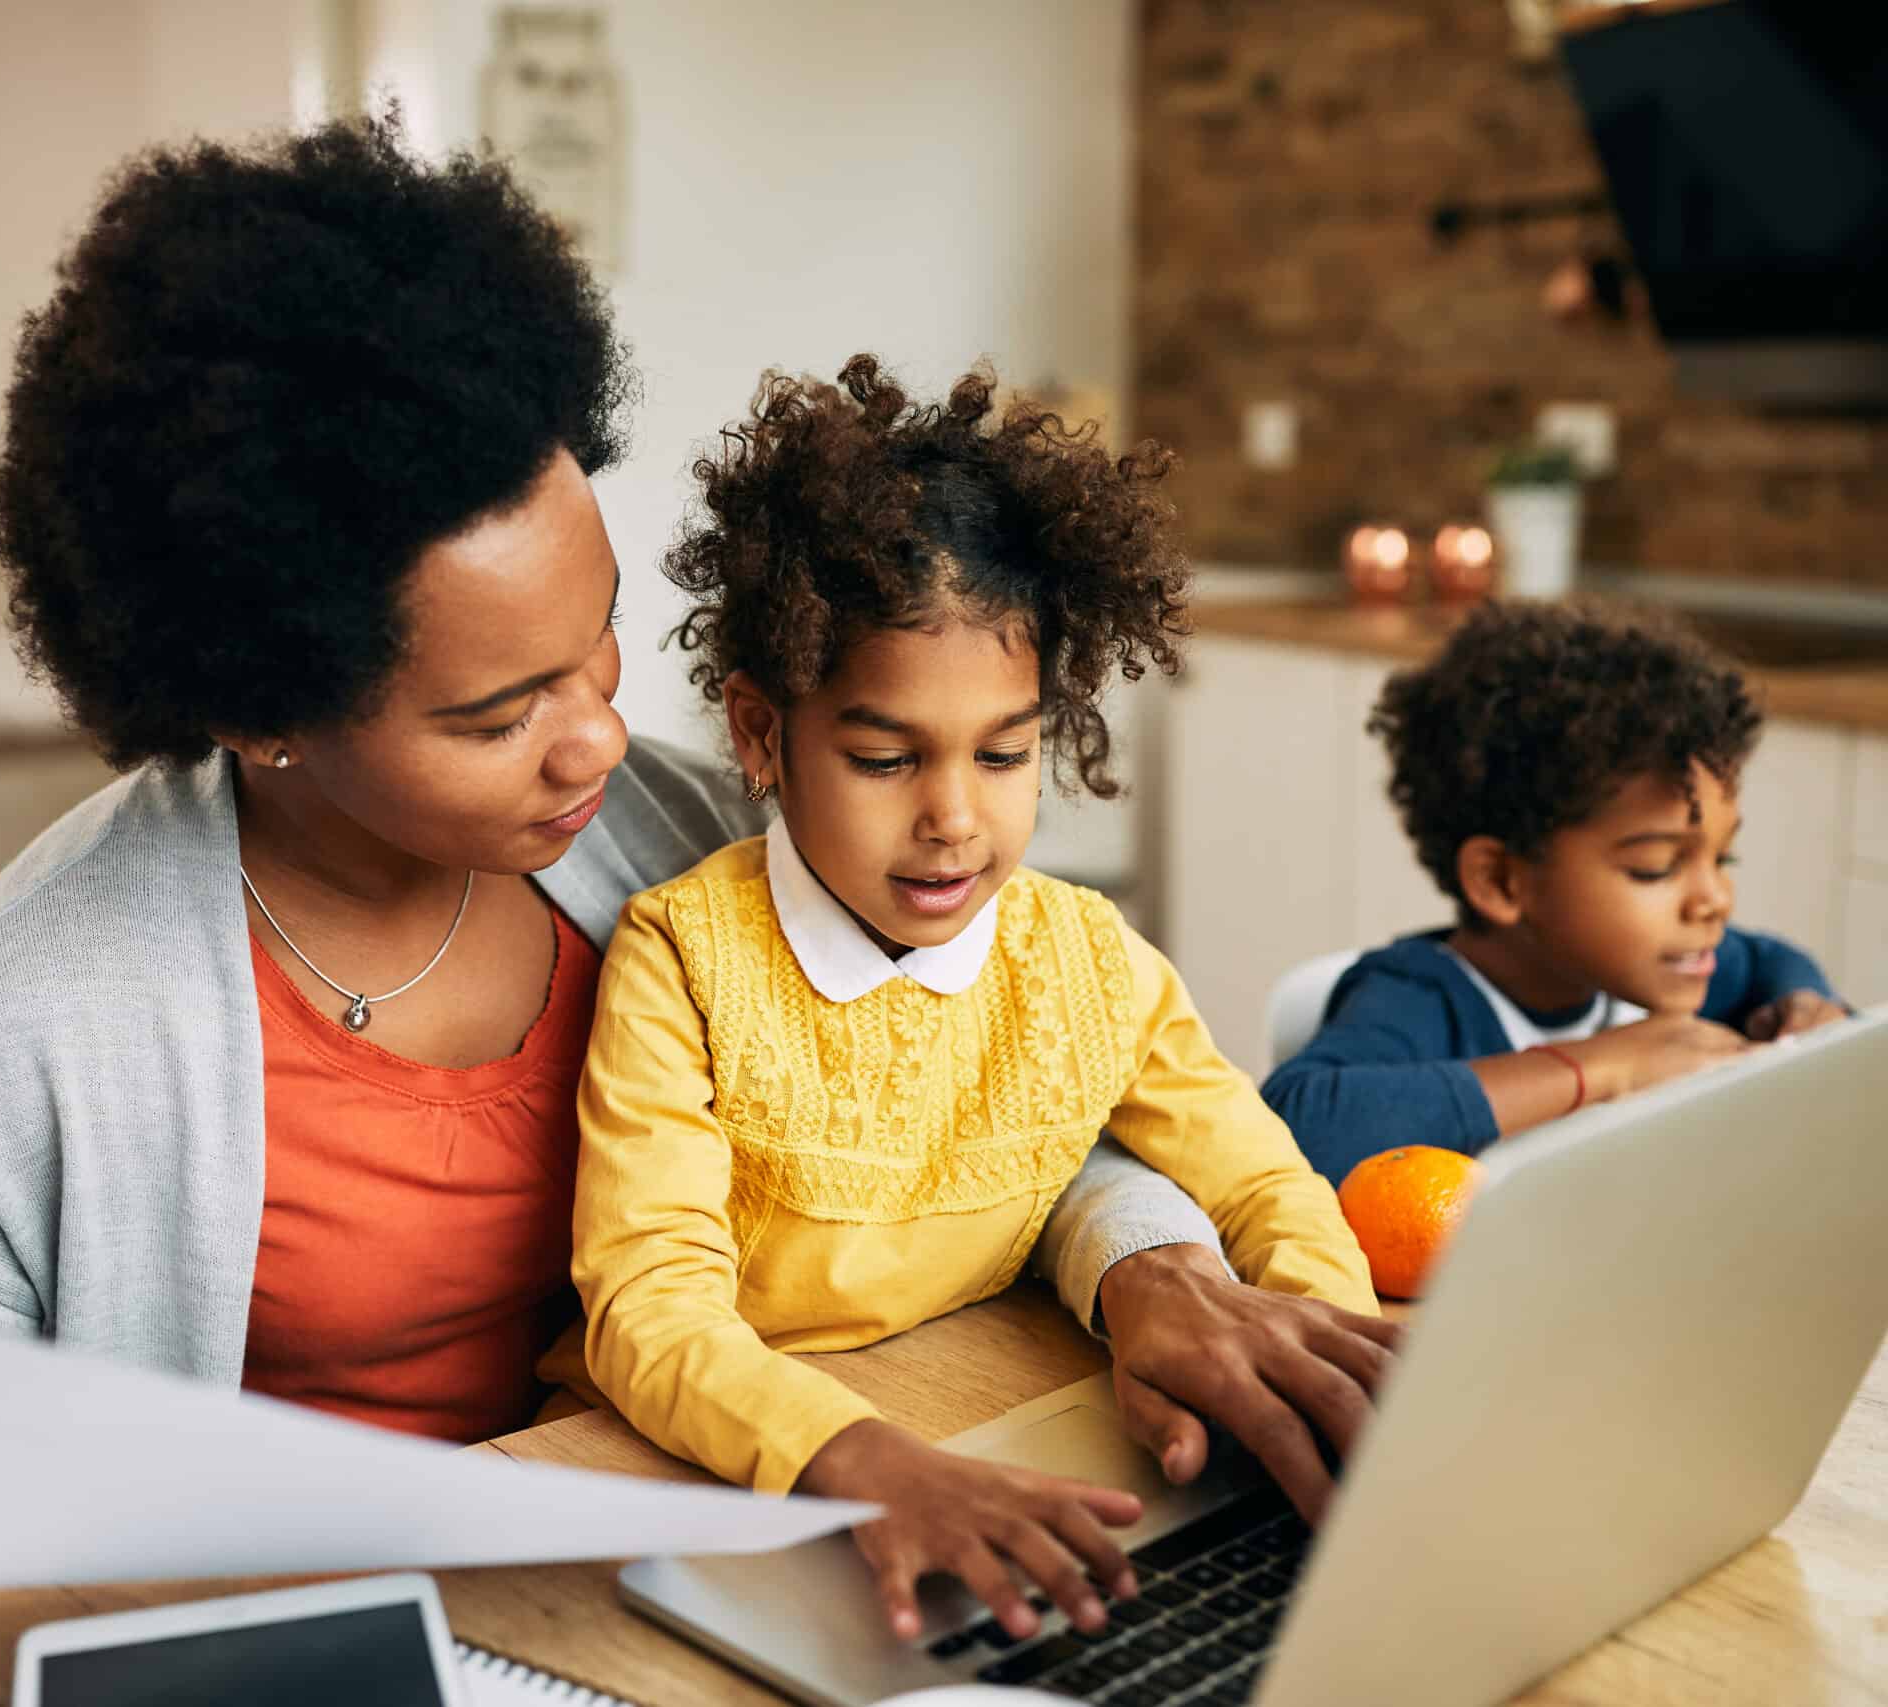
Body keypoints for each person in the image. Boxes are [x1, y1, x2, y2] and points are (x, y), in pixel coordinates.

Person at [0, 121, 1381, 1704]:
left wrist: (1153, 1261)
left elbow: (984, 1086)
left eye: (595, 636)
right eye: (495, 710)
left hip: (699, 1580)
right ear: (260, 709)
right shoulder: (33, 1030)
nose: (600, 731)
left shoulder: (668, 836)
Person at [561, 356, 1388, 1646]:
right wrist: (864, 1459)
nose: (954, 819)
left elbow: (1261, 1186)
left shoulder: (1087, 959)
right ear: (762, 733)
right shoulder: (686, 957)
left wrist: (1323, 1361)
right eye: (886, 758)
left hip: (988, 1407)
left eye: (1005, 753)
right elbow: (647, 1311)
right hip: (725, 1472)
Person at [1261, 599, 1846, 1182]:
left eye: (1724, 858)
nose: (1715, 899)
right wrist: (1611, 1065)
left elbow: (1772, 961)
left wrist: (1803, 1005)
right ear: (1500, 880)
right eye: (1655, 867)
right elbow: (1297, 1124)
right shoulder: (1420, 997)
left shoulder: (1663, 970)